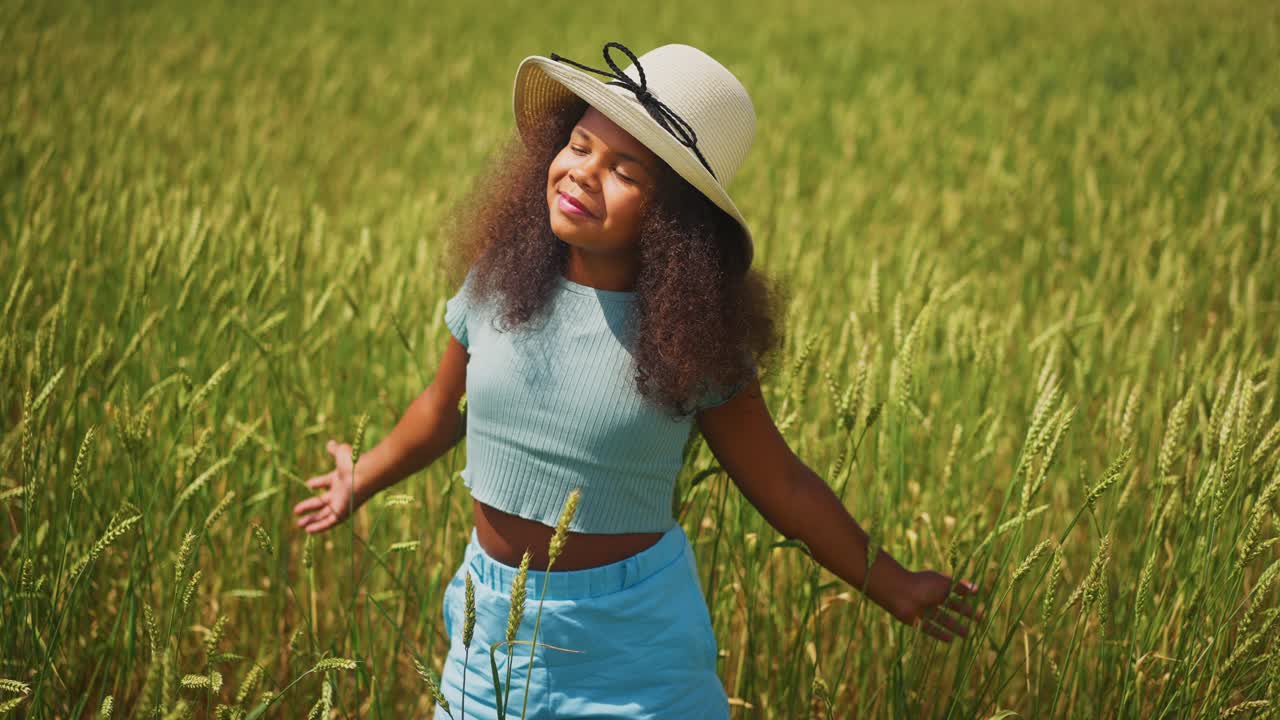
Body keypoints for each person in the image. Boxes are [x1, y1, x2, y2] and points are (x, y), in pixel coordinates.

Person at [292, 41, 982, 719]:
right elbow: (442, 411)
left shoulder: (693, 343)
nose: (584, 173)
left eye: (626, 170)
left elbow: (783, 483)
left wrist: (891, 584)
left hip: (633, 646)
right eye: (581, 146)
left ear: (672, 220)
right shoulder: (496, 286)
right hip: (489, 629)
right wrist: (364, 477)